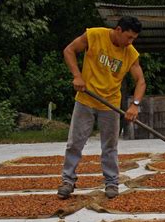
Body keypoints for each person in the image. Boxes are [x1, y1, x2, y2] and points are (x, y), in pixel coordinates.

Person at [57, 16, 146, 200]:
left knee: (110, 146)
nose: (130, 42)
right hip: (86, 99)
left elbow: (141, 81)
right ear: (118, 30)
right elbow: (69, 50)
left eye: (133, 39)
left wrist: (135, 105)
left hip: (111, 104)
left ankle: (112, 183)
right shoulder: (95, 35)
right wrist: (77, 76)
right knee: (75, 143)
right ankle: (68, 180)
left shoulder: (130, 53)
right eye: (129, 37)